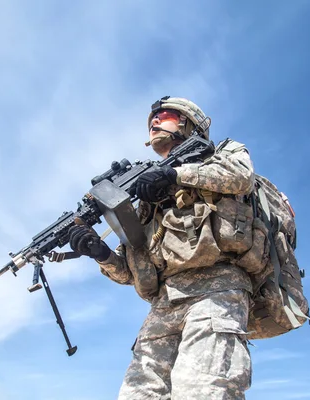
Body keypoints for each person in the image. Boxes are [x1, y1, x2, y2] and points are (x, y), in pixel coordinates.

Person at [68, 96, 256, 399]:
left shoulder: (223, 153)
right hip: (164, 302)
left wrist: (174, 174)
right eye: (151, 120)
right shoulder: (146, 196)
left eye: (164, 115)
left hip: (217, 290)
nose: (154, 122)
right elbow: (131, 270)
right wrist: (100, 254)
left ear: (188, 124)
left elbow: (241, 177)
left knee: (203, 390)